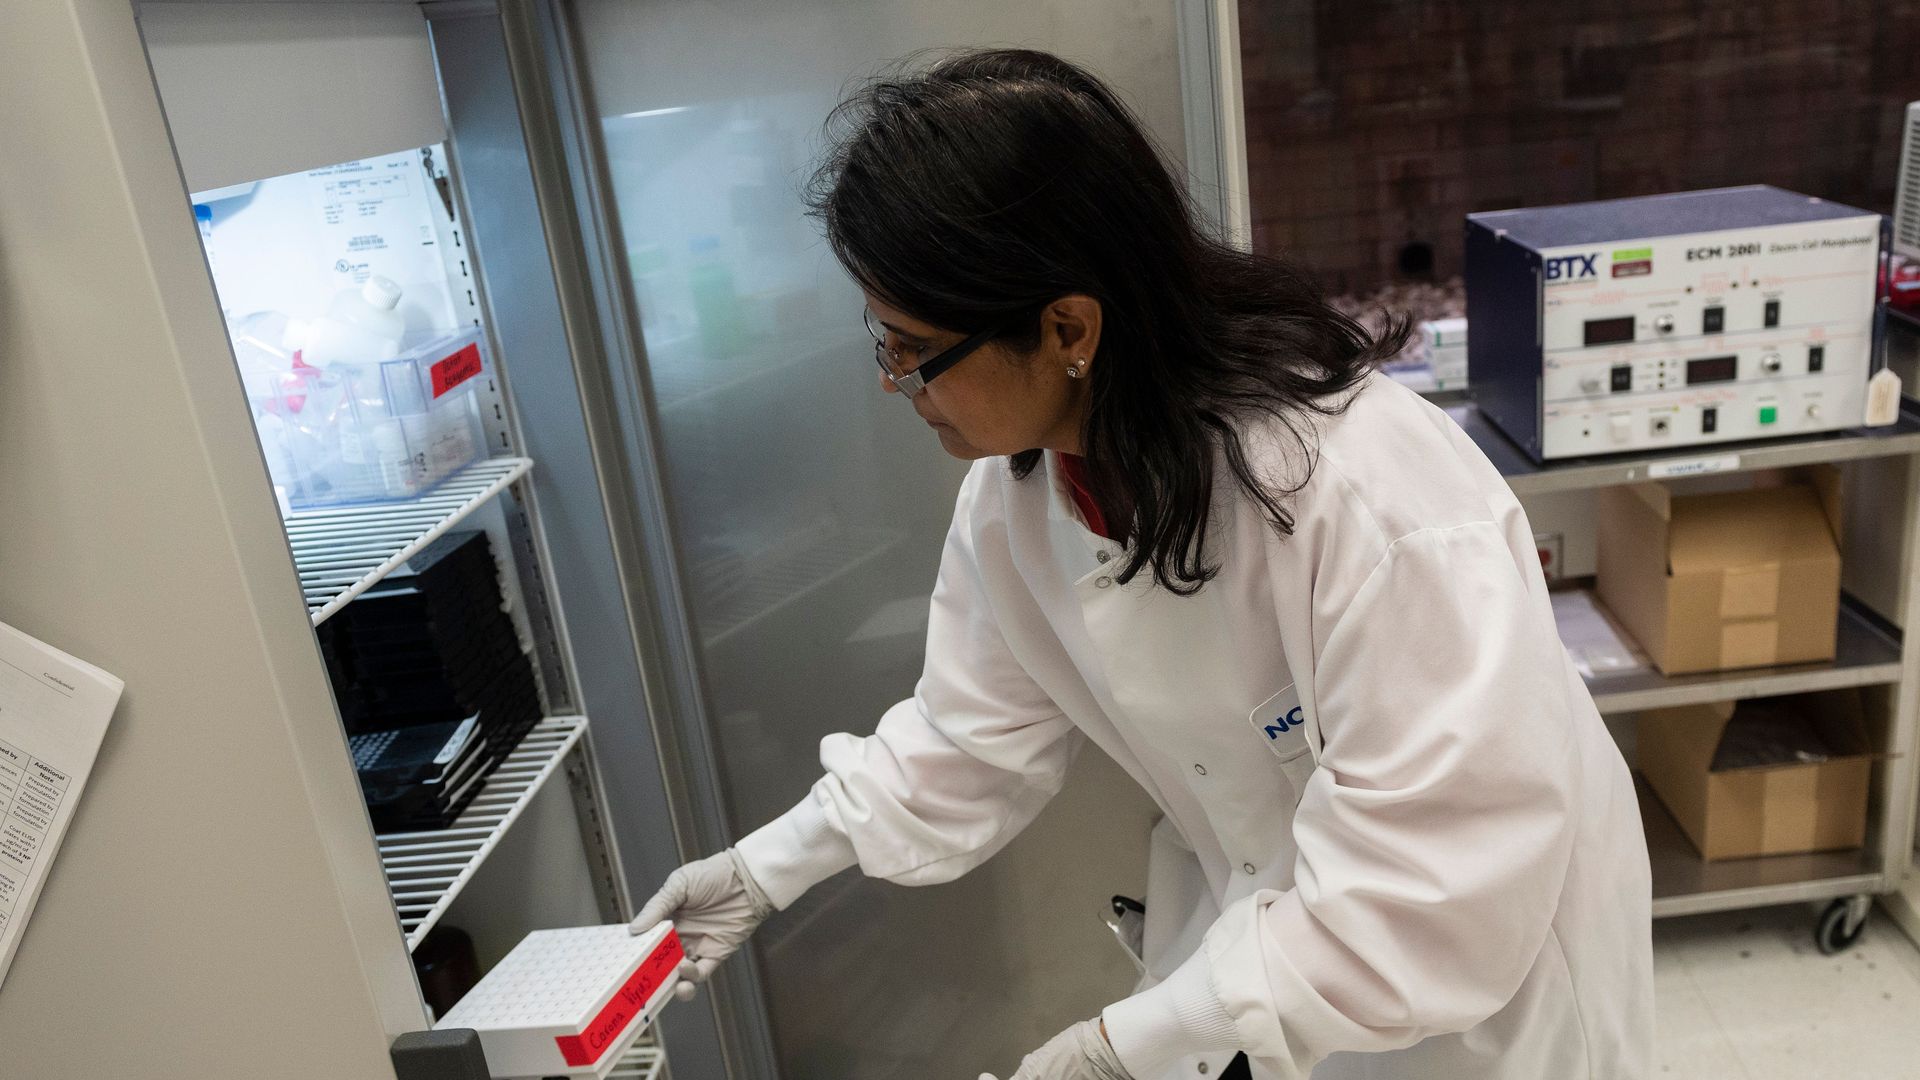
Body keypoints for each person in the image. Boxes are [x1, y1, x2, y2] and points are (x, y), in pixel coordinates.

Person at [630, 48, 1653, 1080]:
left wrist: (1120, 1049)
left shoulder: (1371, 500)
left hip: (1485, 989)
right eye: (882, 340)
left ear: (1068, 327)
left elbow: (1433, 894)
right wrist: (763, 870)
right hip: (1286, 943)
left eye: (913, 348)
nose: (897, 384)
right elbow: (968, 736)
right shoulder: (1021, 497)